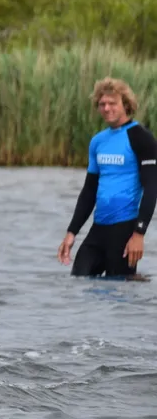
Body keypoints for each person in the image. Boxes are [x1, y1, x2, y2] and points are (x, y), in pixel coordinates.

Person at [58, 78, 157, 278]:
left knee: (120, 292)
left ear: (125, 105)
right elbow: (89, 191)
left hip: (125, 230)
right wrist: (71, 233)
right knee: (78, 281)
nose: (107, 108)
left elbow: (152, 187)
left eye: (112, 103)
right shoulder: (98, 141)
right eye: (102, 104)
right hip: (98, 229)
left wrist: (139, 234)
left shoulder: (141, 138)